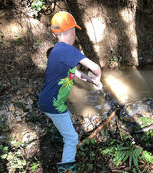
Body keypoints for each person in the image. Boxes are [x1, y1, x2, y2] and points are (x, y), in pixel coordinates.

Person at [38, 11, 102, 173]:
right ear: (73, 31)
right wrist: (98, 79)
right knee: (72, 138)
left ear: (54, 33)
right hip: (54, 104)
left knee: (64, 124)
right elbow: (95, 67)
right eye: (74, 31)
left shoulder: (57, 51)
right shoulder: (68, 50)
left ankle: (58, 136)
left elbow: (75, 72)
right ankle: (66, 170)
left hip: (47, 100)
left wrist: (90, 80)